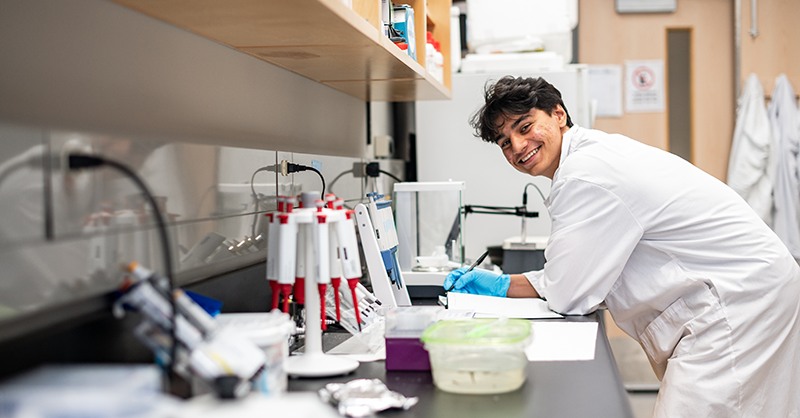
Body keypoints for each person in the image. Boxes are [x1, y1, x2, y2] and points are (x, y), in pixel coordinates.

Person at [443, 76, 800, 417]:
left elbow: (568, 293)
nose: (518, 146)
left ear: (558, 114)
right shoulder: (588, 158)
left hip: (739, 303)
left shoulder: (584, 173)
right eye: (505, 142)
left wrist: (504, 286)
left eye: (524, 127)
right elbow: (573, 277)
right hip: (749, 287)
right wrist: (504, 285)